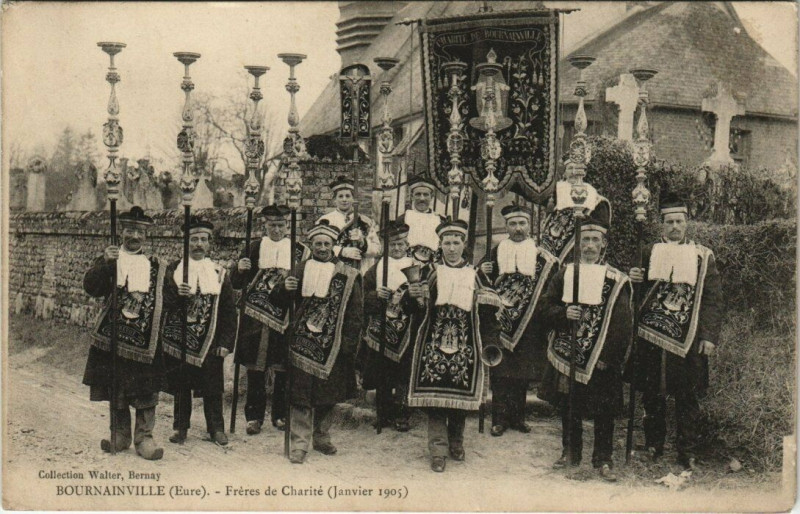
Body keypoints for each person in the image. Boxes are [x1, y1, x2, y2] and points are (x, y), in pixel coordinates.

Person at [628, 192, 722, 470]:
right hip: (651, 336)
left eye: (679, 221)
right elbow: (633, 296)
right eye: (669, 222)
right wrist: (633, 280)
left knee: (687, 396)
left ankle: (687, 451)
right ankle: (654, 445)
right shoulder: (647, 252)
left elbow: (713, 298)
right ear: (661, 224)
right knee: (651, 394)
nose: (674, 227)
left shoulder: (702, 257)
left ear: (687, 223)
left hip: (689, 339)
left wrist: (708, 336)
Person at [539, 213, 633, 482]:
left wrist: (609, 358)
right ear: (579, 244)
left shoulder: (616, 280)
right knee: (570, 407)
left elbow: (623, 322)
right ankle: (570, 452)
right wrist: (563, 313)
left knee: (604, 410)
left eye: (595, 240)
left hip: (602, 357)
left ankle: (603, 458)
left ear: (604, 245)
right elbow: (546, 306)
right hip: (568, 352)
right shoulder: (565, 273)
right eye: (585, 240)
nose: (590, 245)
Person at [407, 219, 501, 473]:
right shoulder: (429, 273)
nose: (451, 248)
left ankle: (456, 442)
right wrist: (412, 297)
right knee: (436, 400)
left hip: (466, 345)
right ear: (440, 246)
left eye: (456, 242)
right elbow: (411, 310)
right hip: (433, 344)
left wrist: (491, 343)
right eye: (446, 243)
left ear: (463, 245)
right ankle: (437, 450)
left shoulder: (476, 275)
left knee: (460, 398)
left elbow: (490, 312)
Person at [272, 219, 363, 464]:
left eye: (327, 243)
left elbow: (355, 314)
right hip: (301, 344)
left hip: (332, 346)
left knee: (327, 395)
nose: (322, 248)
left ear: (334, 245)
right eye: (318, 243)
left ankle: (321, 437)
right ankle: (299, 444)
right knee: (300, 395)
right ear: (311, 245)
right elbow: (278, 301)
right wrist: (284, 287)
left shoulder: (349, 275)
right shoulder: (299, 269)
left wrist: (349, 345)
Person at [83, 206, 166, 460]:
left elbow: (169, 298)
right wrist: (107, 265)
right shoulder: (109, 259)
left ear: (146, 236)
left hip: (145, 339)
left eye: (140, 232)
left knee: (145, 388)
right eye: (130, 230)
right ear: (121, 232)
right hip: (114, 337)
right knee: (116, 385)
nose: (135, 236)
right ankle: (119, 435)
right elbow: (92, 288)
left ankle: (145, 438)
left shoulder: (157, 266)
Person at [477, 204, 558, 436]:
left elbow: (550, 285)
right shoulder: (496, 251)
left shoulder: (542, 256)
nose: (518, 228)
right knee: (501, 371)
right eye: (513, 224)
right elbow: (479, 280)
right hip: (500, 322)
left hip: (528, 323)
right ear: (506, 226)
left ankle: (518, 418)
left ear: (529, 226)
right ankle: (499, 419)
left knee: (521, 374)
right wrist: (483, 269)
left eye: (522, 223)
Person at [230, 205, 310, 435]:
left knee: (283, 366)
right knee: (255, 368)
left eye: (280, 225)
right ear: (264, 225)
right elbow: (236, 282)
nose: (276, 229)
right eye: (271, 225)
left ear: (287, 226)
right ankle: (254, 417)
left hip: (285, 315)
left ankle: (280, 415)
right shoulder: (254, 247)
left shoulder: (299, 250)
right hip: (254, 315)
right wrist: (239, 268)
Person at [160, 216, 237, 446]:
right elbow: (162, 302)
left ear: (209, 244)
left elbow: (228, 310)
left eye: (203, 240)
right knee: (181, 385)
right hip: (180, 337)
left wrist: (226, 342)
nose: (198, 244)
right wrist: (177, 294)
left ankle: (216, 429)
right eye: (194, 239)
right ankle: (180, 428)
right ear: (186, 242)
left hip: (210, 341)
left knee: (213, 387)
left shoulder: (219, 273)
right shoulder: (173, 269)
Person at [360, 221, 420, 432]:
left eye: (400, 244)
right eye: (392, 244)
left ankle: (403, 414)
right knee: (382, 373)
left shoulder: (416, 267)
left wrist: (413, 297)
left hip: (408, 328)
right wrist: (376, 296)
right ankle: (383, 413)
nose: (396, 248)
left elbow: (423, 299)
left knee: (404, 374)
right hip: (381, 327)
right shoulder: (376, 269)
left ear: (407, 244)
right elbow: (362, 295)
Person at [540, 171, 611, 265]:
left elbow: (597, 238)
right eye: (570, 168)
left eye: (577, 168)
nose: (574, 172)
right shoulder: (559, 200)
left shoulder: (597, 203)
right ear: (564, 173)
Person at [318, 175, 381, 274]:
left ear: (353, 198)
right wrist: (342, 251)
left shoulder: (365, 221)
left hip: (361, 270)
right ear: (334, 199)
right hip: (333, 270)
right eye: (340, 196)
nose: (344, 199)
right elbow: (318, 248)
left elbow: (377, 250)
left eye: (348, 196)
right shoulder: (326, 220)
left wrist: (363, 242)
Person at [396, 176, 445, 268]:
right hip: (407, 266)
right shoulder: (402, 219)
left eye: (426, 194)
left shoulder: (440, 220)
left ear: (432, 197)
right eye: (418, 194)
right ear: (411, 196)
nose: (422, 198)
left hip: (433, 267)